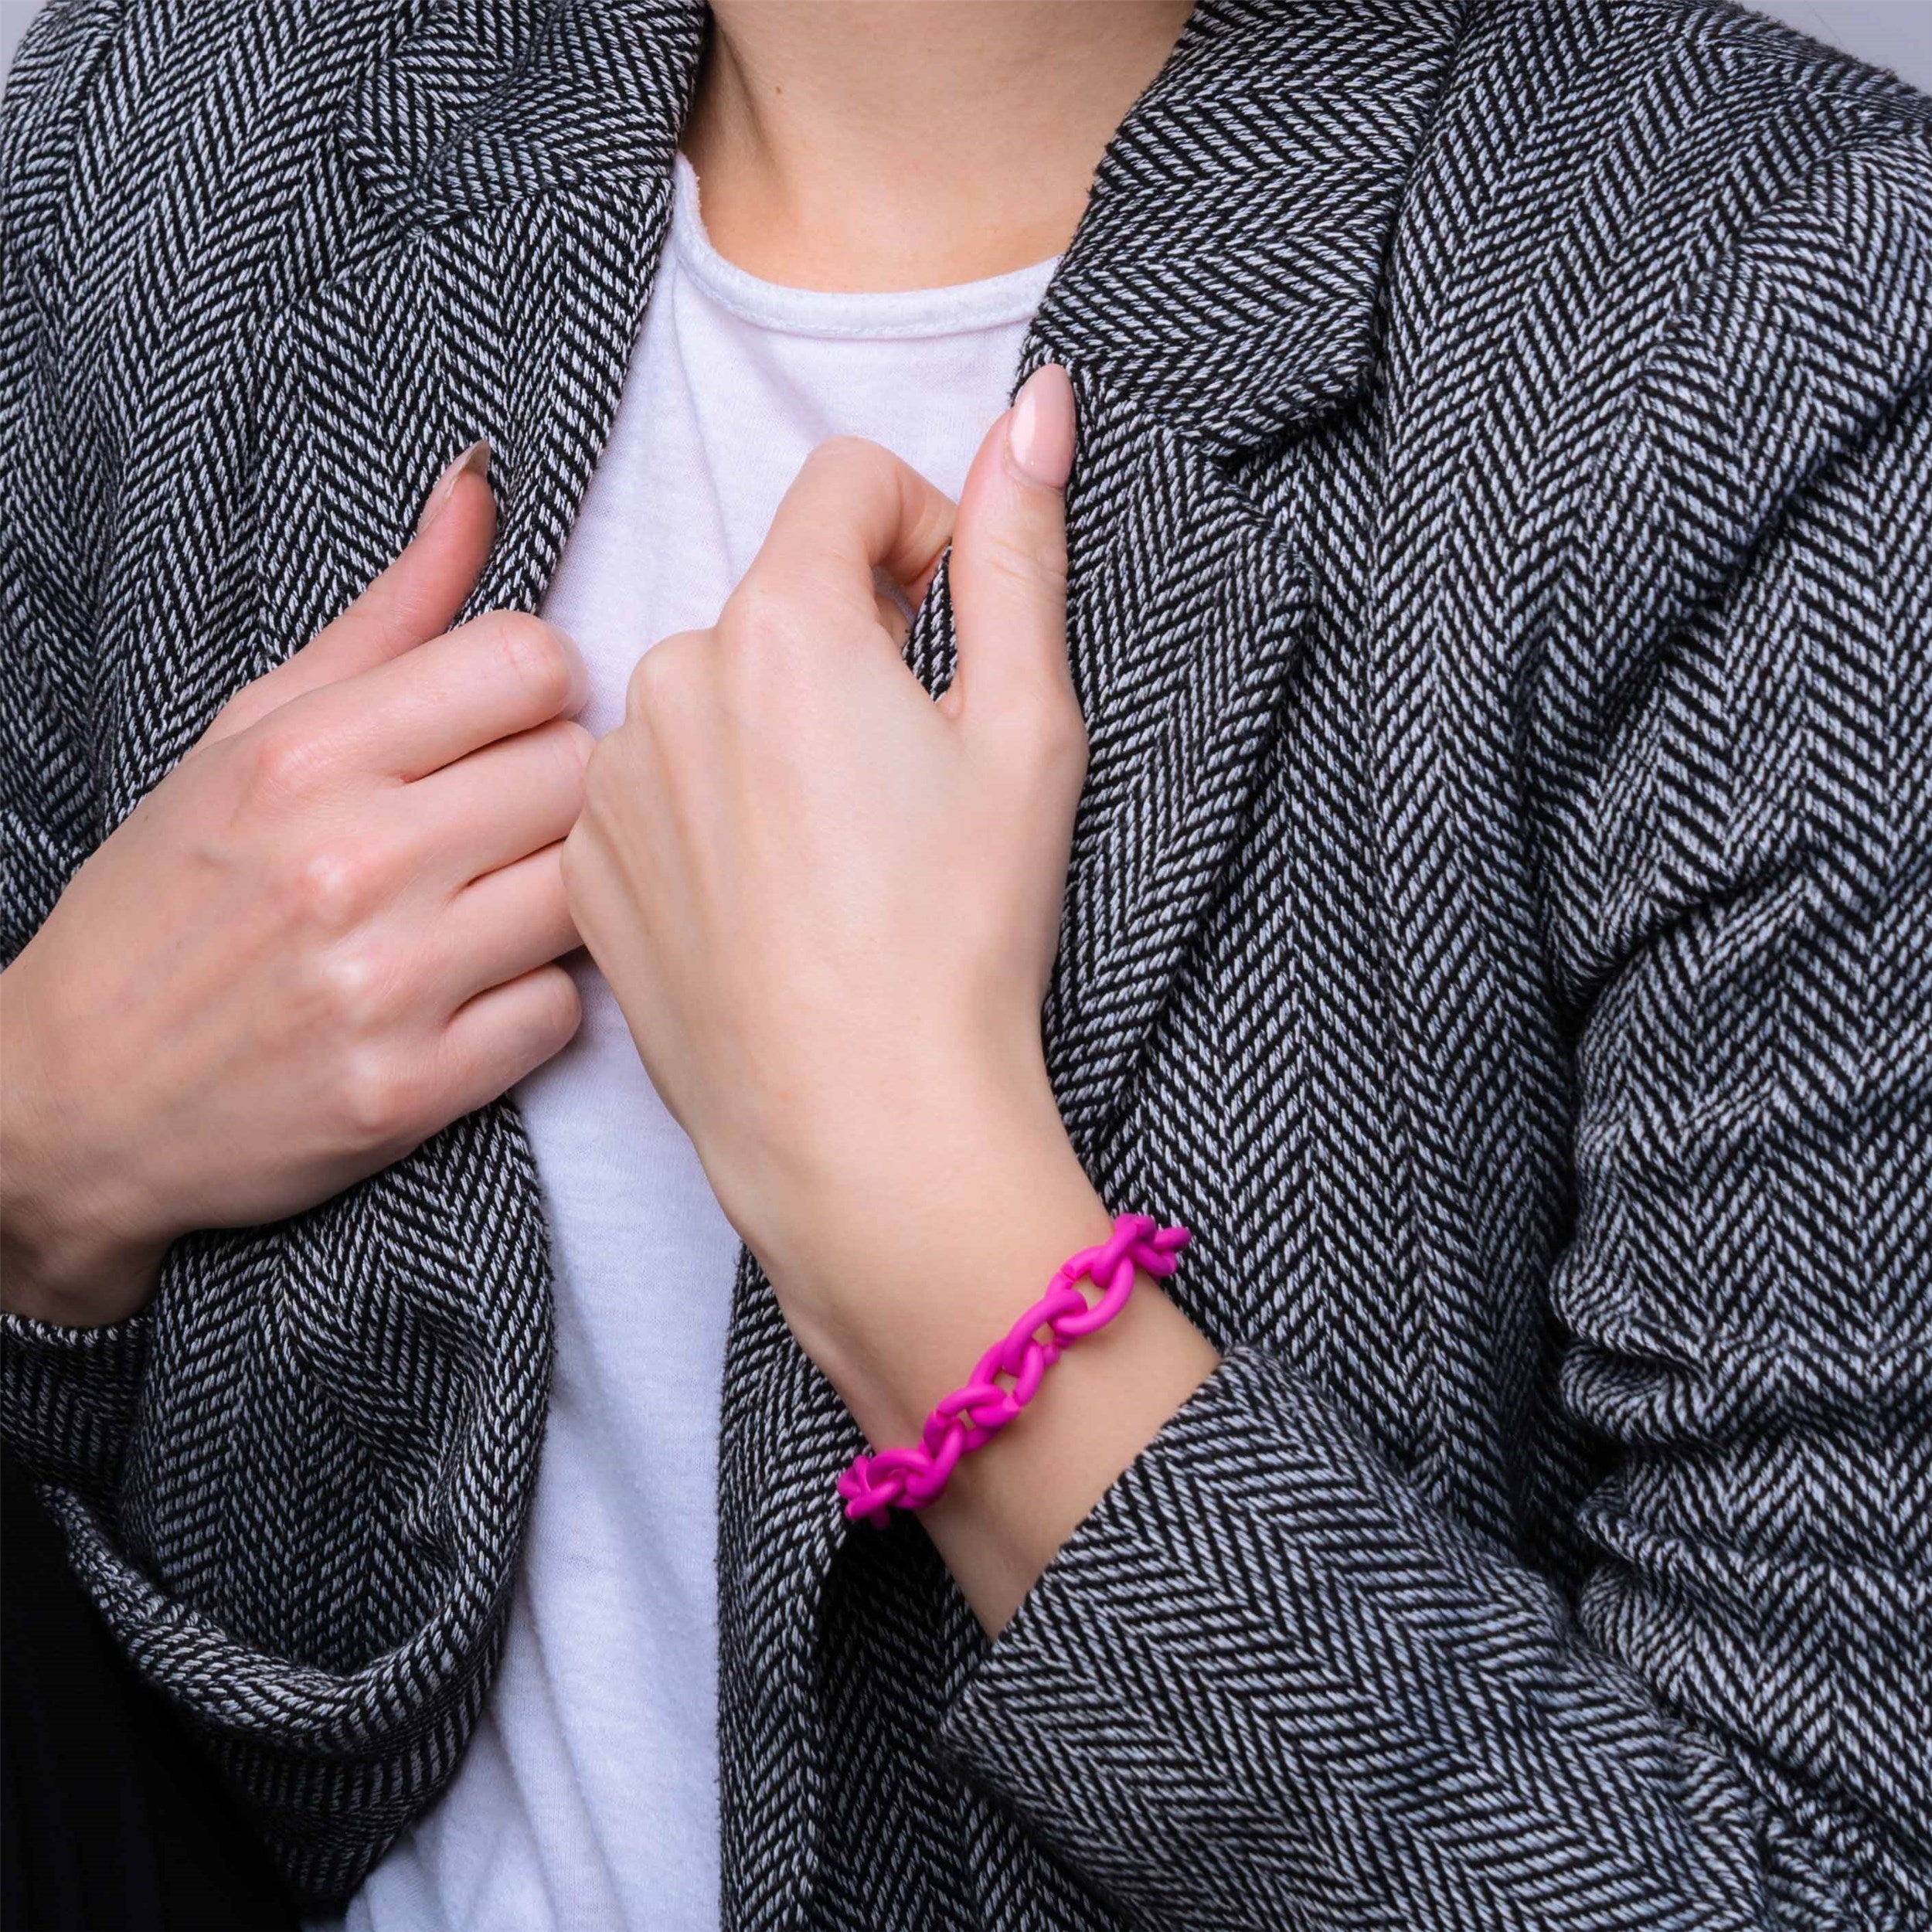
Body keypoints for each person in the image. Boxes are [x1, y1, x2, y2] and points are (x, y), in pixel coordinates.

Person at [2, 0, 1927, 1927]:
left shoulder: (1781, 317)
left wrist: (938, 1255)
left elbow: (1819, 1871)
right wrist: (43, 1132)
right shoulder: (170, 121)